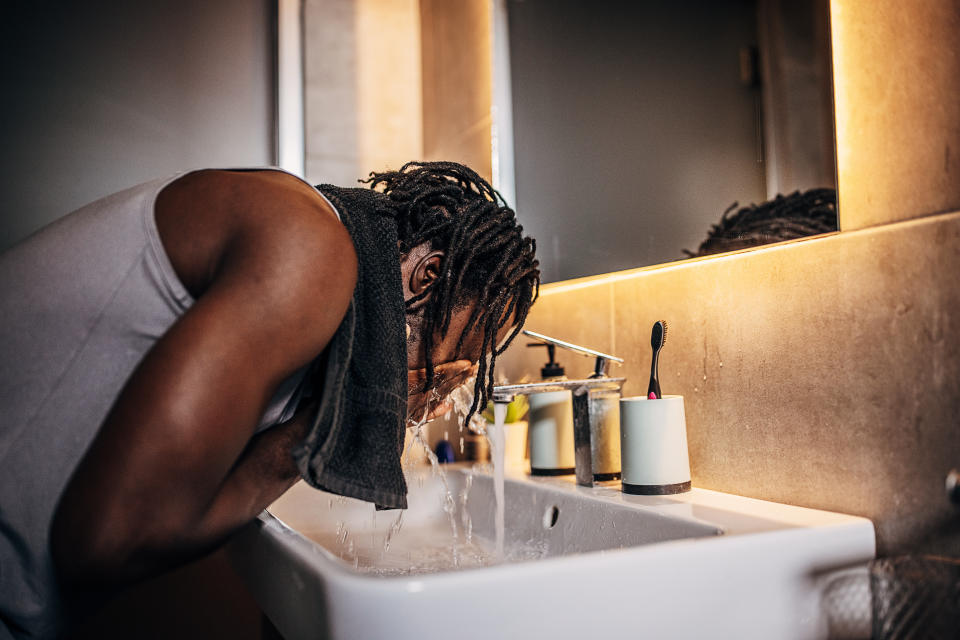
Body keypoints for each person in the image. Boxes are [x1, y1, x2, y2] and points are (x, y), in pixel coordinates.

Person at [0, 161, 539, 638]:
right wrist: (318, 431)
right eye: (463, 360)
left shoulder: (311, 264)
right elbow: (105, 543)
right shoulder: (307, 248)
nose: (445, 394)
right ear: (429, 276)